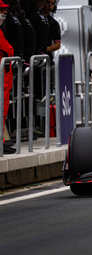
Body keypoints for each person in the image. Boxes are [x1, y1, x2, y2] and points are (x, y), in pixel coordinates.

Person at [0, 0, 16, 154]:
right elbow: (9, 50)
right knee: (1, 110)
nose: (5, 13)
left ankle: (2, 142)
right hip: (2, 79)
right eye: (2, 10)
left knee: (3, 110)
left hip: (4, 78)